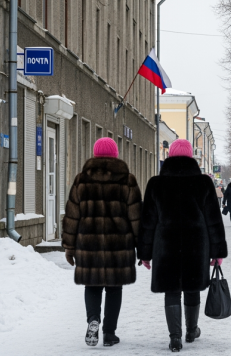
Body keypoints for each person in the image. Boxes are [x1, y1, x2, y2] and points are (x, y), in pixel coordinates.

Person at [138, 139, 228, 352]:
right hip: (196, 246)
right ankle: (191, 330)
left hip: (165, 246)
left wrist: (145, 253)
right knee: (192, 287)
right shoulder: (204, 183)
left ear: (169, 156)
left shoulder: (156, 184)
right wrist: (217, 252)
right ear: (191, 157)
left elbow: (148, 222)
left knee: (171, 290)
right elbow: (213, 220)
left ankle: (175, 338)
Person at [62, 137, 141, 347]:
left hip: (89, 245)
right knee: (114, 288)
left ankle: (93, 319)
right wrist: (142, 246)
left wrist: (69, 247)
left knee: (92, 285)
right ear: (116, 154)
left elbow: (72, 215)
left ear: (95, 154)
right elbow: (136, 217)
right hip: (119, 245)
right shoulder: (127, 180)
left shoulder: (81, 180)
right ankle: (109, 333)